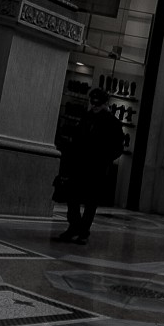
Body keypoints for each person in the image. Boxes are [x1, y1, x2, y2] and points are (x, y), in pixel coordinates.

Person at [53, 88, 127, 244]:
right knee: (72, 197)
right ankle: (75, 226)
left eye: (97, 103)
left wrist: (104, 159)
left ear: (105, 103)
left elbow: (118, 147)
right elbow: (76, 140)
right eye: (92, 103)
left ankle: (83, 231)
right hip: (79, 165)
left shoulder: (112, 123)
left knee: (90, 201)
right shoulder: (86, 118)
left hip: (96, 168)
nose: (94, 106)